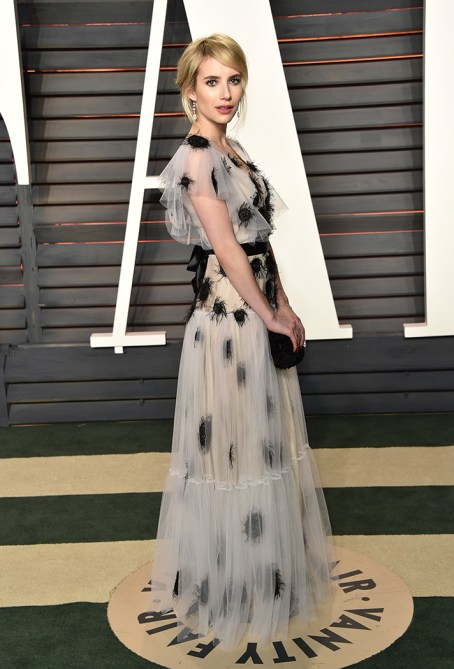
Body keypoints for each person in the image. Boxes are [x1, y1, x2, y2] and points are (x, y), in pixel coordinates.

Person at [150, 33, 333, 650]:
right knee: (232, 455)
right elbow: (226, 250)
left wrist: (285, 305)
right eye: (212, 81)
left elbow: (258, 241)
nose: (225, 93)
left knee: (262, 448)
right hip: (227, 326)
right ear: (189, 90)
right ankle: (229, 587)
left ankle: (265, 582)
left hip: (253, 312)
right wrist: (268, 316)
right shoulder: (196, 158)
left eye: (233, 80)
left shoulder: (233, 149)